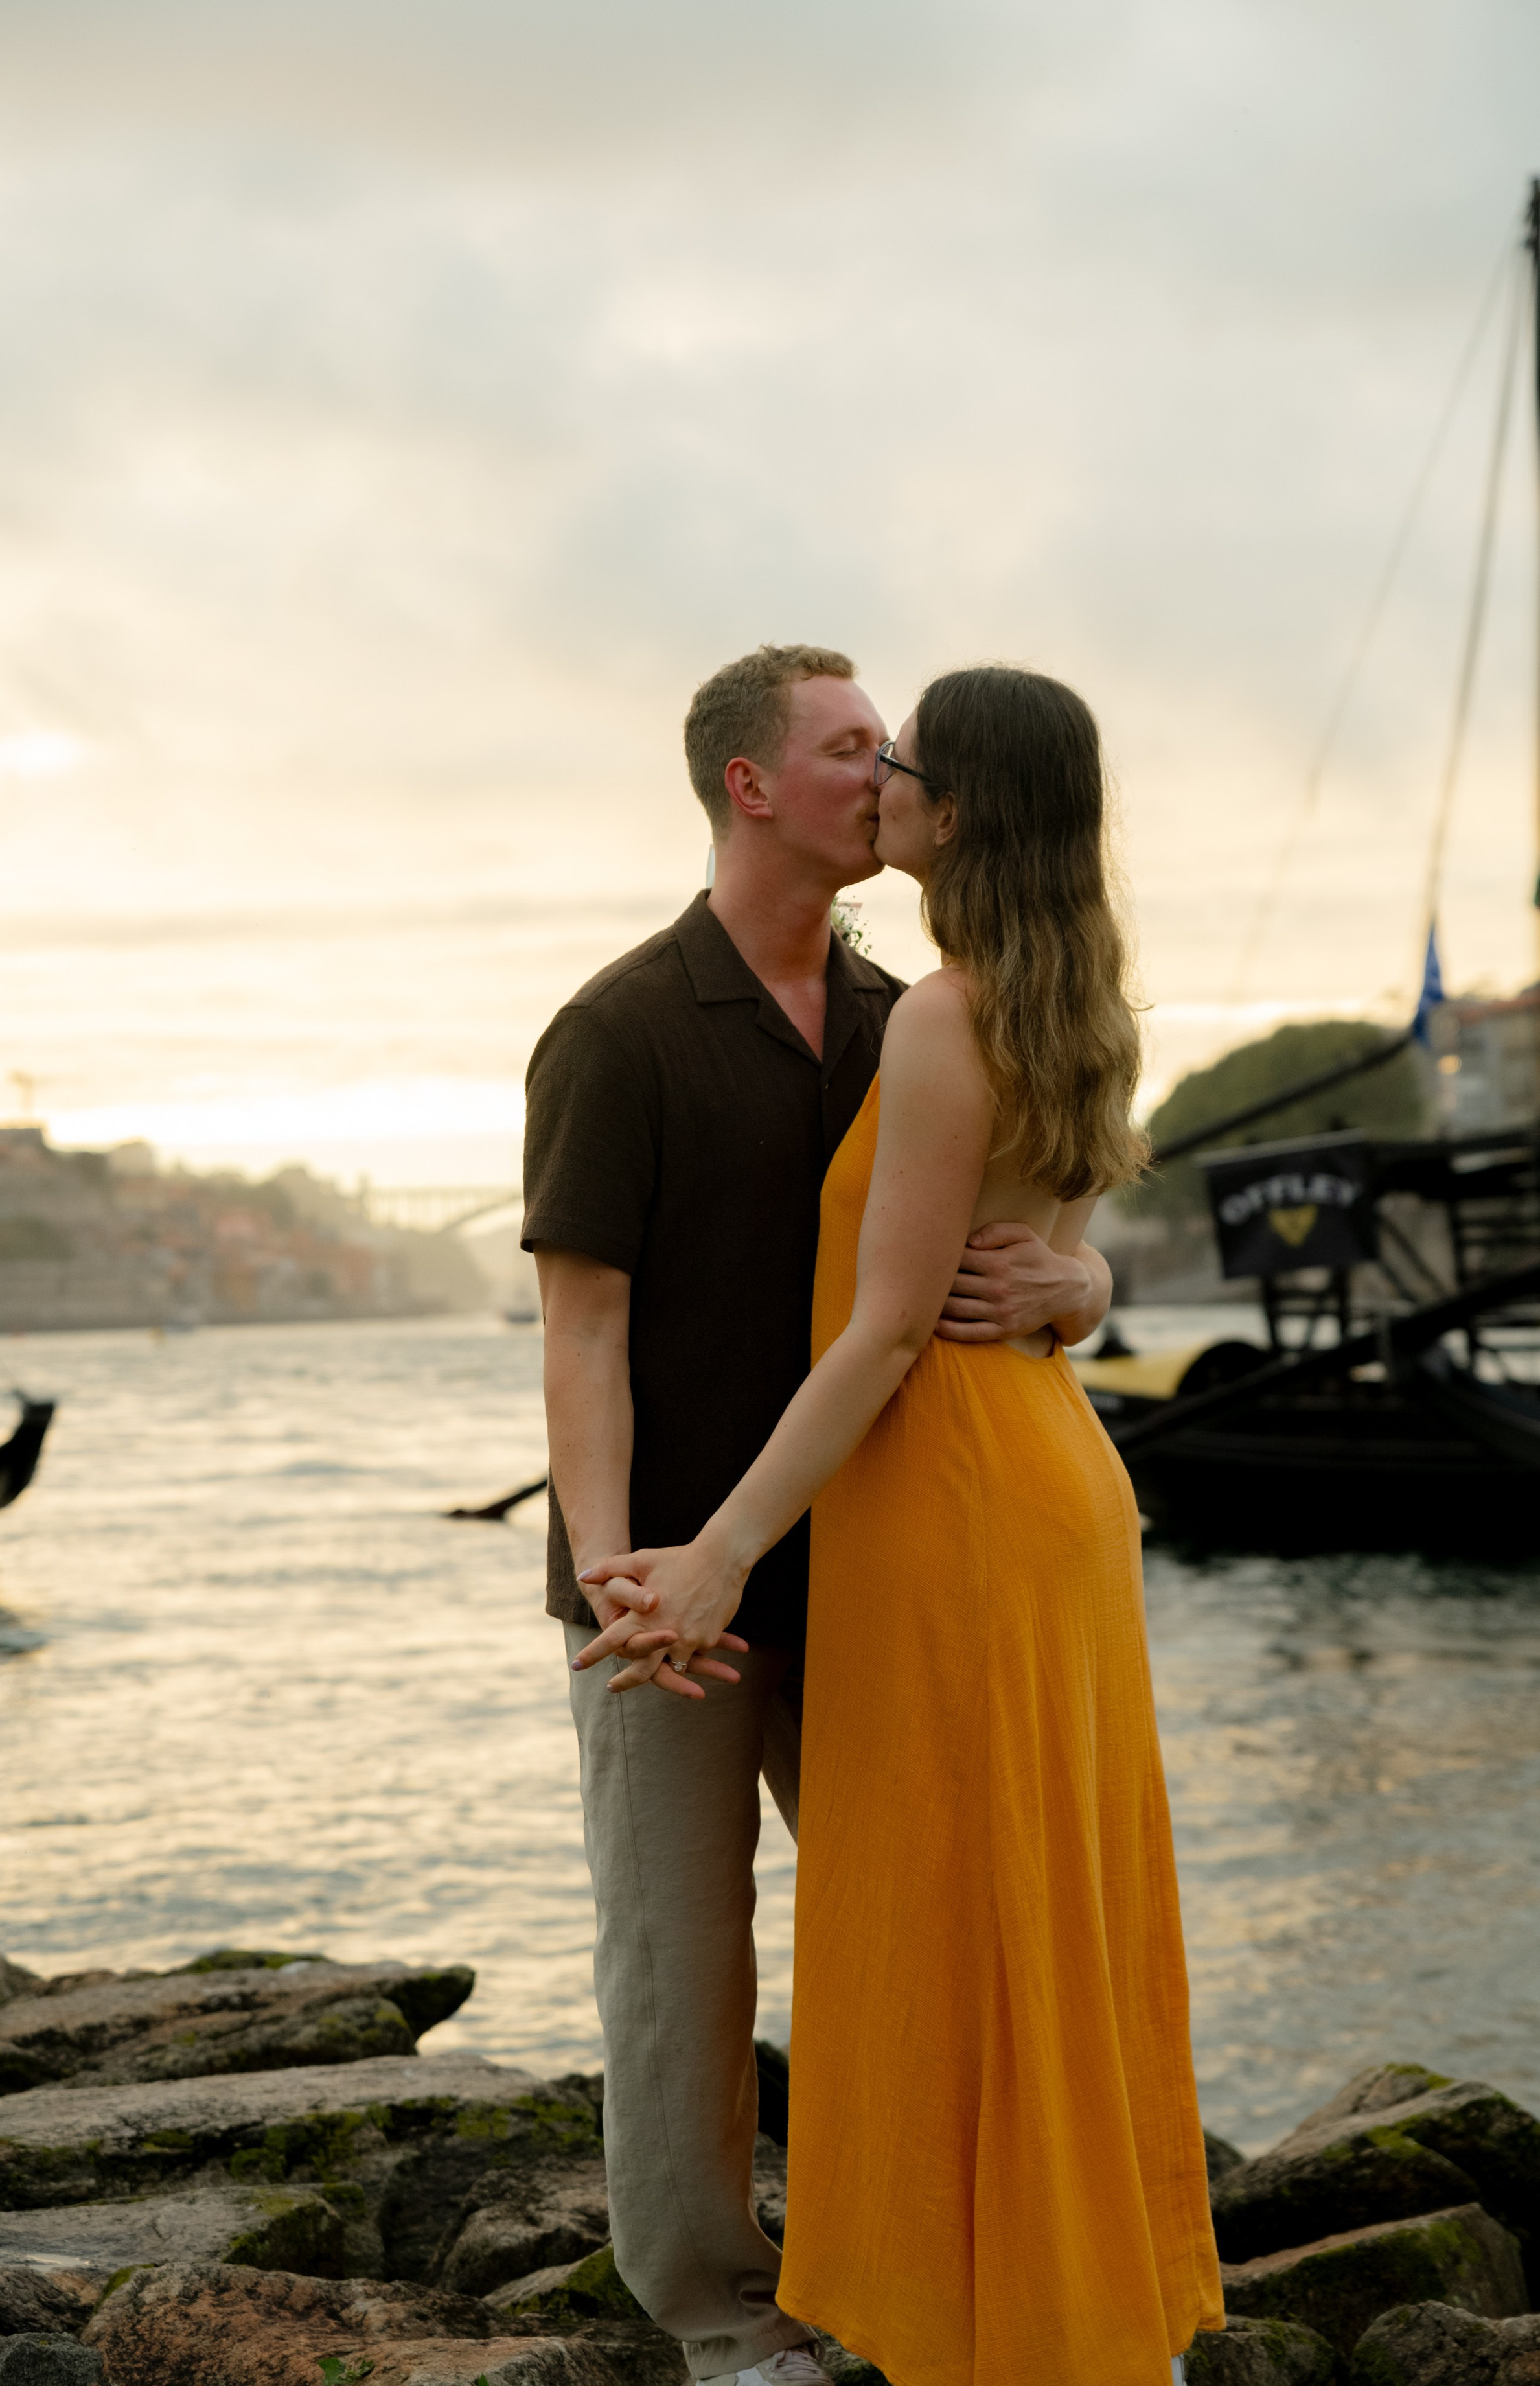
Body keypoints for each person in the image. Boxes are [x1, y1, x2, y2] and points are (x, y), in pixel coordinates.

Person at [576, 666, 1224, 2386]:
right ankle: (1064, 2290)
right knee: (1038, 1901)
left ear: (966, 811)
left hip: (954, 1489)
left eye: (908, 759)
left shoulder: (935, 1015)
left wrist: (711, 1547)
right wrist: (1077, 1284)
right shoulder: (1072, 1004)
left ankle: (986, 2319)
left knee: (954, 1910)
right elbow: (1045, 1242)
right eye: (864, 752)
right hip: (1051, 1479)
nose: (888, 782)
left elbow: (887, 1328)